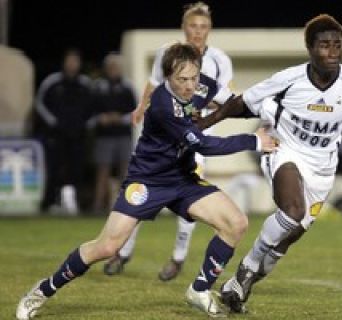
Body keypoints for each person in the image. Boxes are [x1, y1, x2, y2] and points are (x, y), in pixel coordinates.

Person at [16, 43, 276, 320]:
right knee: (107, 247)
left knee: (235, 223)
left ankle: (199, 290)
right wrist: (253, 140)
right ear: (167, 78)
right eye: (181, 80)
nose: (190, 86)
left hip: (182, 178)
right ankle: (41, 291)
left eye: (194, 78)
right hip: (147, 181)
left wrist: (273, 112)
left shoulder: (200, 85)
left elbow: (235, 102)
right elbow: (203, 144)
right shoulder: (163, 105)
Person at [195, 14, 342, 313]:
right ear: (310, 48)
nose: (332, 52)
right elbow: (240, 103)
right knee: (292, 212)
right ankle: (246, 268)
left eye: (337, 45)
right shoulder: (289, 80)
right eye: (324, 45)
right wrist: (205, 121)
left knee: (286, 240)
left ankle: (238, 288)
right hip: (285, 152)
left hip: (322, 169)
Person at [104, 1, 234, 281]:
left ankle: (178, 257)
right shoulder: (167, 53)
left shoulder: (219, 60)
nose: (197, 32)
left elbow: (224, 101)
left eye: (203, 26)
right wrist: (141, 108)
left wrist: (203, 116)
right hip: (163, 139)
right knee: (140, 193)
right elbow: (153, 84)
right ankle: (123, 251)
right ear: (184, 27)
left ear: (209, 29)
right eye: (192, 26)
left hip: (196, 143)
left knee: (190, 203)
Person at [35, 49, 93, 215]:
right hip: (56, 134)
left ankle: (77, 203)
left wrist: (85, 125)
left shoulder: (85, 84)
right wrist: (53, 122)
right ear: (64, 62)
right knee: (54, 168)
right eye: (69, 61)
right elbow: (40, 103)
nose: (72, 64)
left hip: (78, 135)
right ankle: (49, 203)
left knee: (77, 169)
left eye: (75, 61)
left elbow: (93, 108)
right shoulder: (52, 82)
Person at [90, 52, 137, 213]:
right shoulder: (98, 87)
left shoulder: (127, 87)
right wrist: (101, 118)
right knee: (102, 170)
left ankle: (125, 205)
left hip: (123, 135)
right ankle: (98, 205)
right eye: (110, 67)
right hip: (104, 136)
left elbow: (136, 112)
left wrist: (120, 118)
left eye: (116, 67)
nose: (113, 70)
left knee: (125, 170)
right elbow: (90, 111)